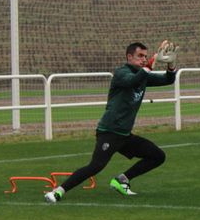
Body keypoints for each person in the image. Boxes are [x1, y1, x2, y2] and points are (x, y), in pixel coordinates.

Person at [45, 40, 177, 203]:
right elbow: (132, 81)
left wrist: (171, 65)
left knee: (157, 156)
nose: (143, 59)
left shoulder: (143, 75)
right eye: (140, 56)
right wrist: (150, 64)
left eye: (146, 56)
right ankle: (58, 192)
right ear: (129, 56)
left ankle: (122, 180)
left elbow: (168, 80)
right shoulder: (121, 73)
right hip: (110, 132)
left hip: (125, 135)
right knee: (96, 166)